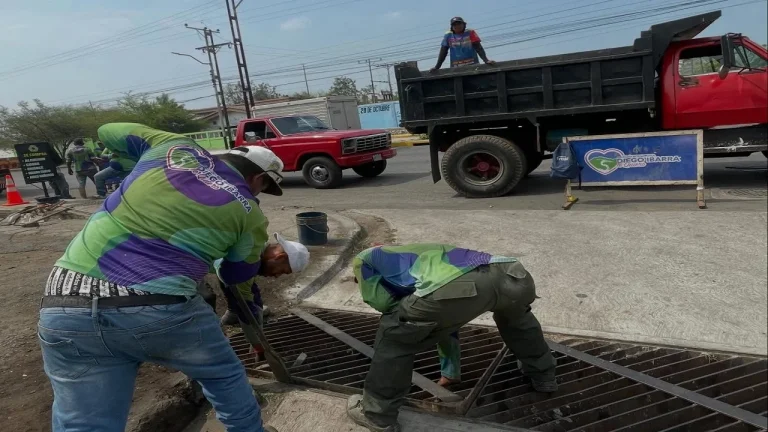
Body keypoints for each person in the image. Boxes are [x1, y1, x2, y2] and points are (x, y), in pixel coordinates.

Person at [38, 123, 300, 432]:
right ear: (257, 179)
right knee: (223, 374)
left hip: (64, 304)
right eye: (263, 188)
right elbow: (233, 274)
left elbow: (108, 131)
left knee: (82, 423)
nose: (259, 193)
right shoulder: (250, 213)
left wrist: (134, 162)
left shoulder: (172, 148)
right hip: (157, 307)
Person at [346, 244, 556, 432]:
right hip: (512, 273)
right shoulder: (417, 257)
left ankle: (377, 415)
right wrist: (450, 371)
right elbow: (448, 319)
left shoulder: (364, 259)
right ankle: (544, 376)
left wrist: (410, 324)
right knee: (519, 325)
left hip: (462, 287)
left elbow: (383, 304)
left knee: (395, 335)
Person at [430, 17, 495, 72]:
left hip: (473, 65)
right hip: (456, 67)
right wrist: (437, 66)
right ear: (452, 27)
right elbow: (443, 52)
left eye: (459, 24)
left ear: (464, 25)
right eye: (454, 25)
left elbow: (478, 48)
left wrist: (486, 60)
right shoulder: (448, 35)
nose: (457, 26)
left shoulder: (470, 32)